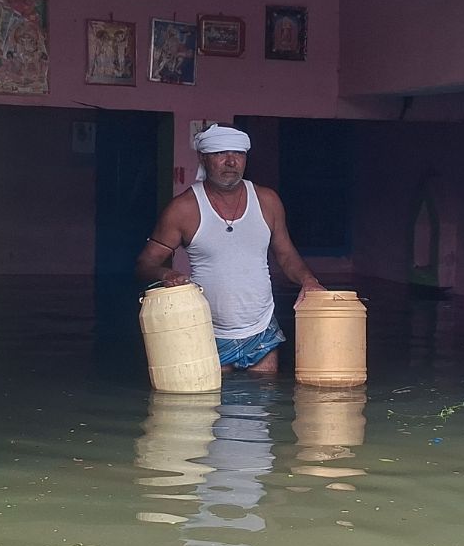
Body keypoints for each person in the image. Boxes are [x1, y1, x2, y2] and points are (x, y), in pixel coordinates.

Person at [135, 124, 324, 373]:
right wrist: (166, 274)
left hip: (262, 328)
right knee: (210, 406)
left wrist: (309, 281)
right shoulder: (183, 209)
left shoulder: (267, 201)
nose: (230, 162)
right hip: (206, 329)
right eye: (220, 153)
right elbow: (145, 264)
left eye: (238, 154)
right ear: (204, 158)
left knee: (263, 401)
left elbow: (286, 254)